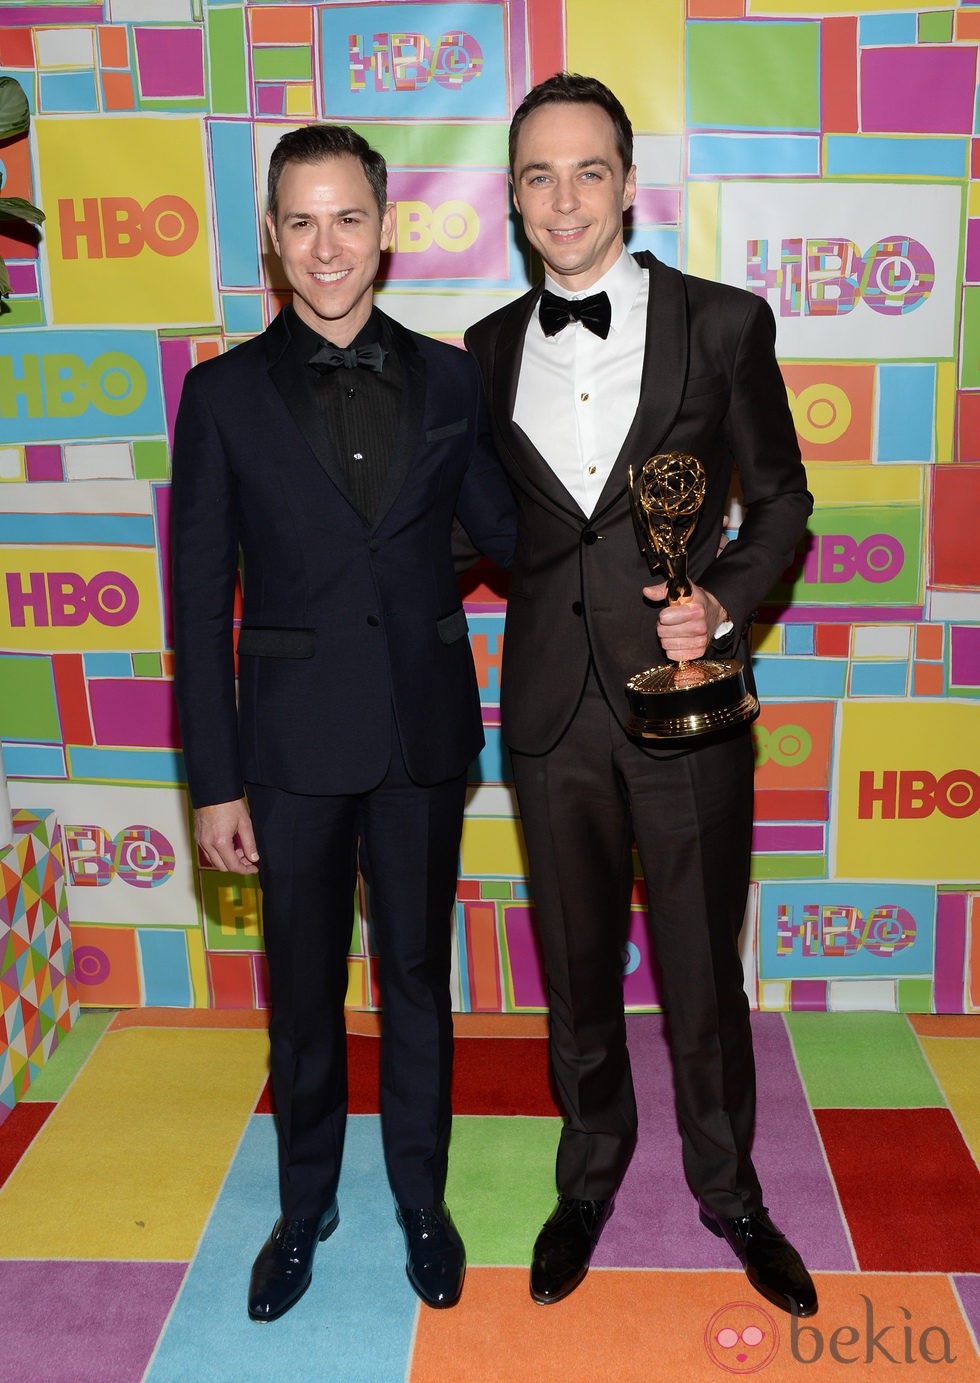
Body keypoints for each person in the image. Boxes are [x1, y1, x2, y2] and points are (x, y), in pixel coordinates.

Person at [464, 73, 817, 1317]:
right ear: (511, 197)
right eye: (537, 176)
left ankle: (728, 1192)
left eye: (587, 171)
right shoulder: (486, 348)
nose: (563, 200)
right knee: (571, 970)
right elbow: (485, 527)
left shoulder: (723, 324)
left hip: (684, 706)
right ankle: (588, 1174)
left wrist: (717, 601)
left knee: (698, 972)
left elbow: (780, 500)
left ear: (627, 181)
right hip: (549, 712)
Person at [171, 123, 515, 1323]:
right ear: (272, 237)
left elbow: (505, 532)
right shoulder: (217, 396)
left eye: (348, 218)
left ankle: (423, 1202)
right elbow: (194, 597)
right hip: (288, 752)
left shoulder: (451, 377)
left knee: (417, 981)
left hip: (421, 740)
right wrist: (213, 785)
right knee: (302, 993)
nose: (327, 246)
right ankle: (301, 1204)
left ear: (385, 229)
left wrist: (628, 566)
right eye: (301, 221)